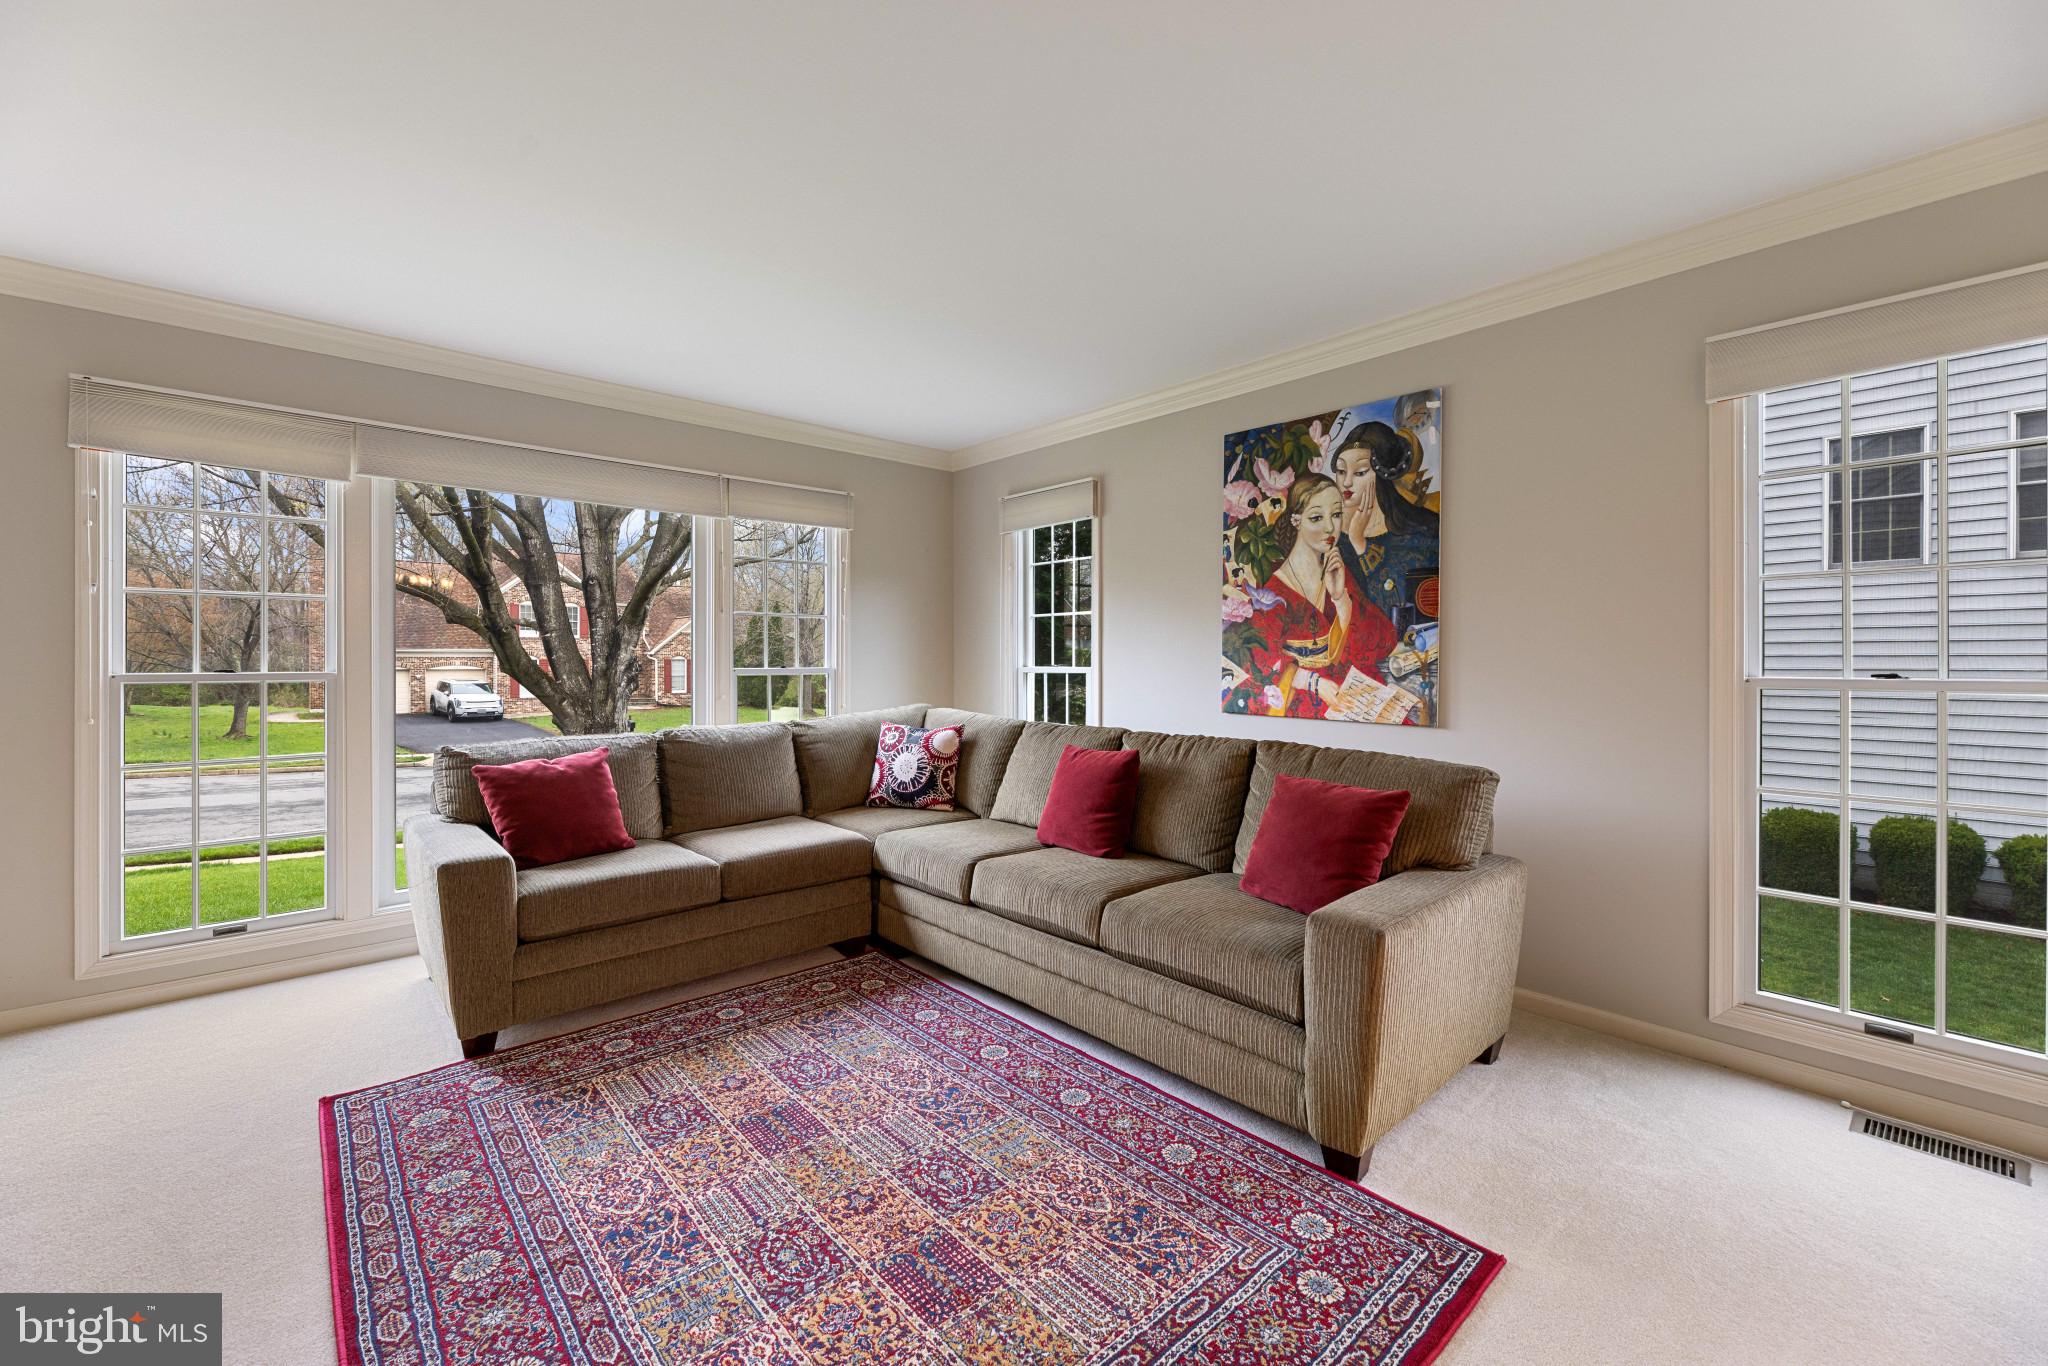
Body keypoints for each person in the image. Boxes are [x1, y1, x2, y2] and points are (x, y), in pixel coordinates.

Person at [1241, 476, 1399, 717]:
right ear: (1296, 520)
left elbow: (1381, 642)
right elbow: (1258, 660)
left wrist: (1340, 599)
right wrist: (1312, 682)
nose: (1330, 528)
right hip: (1300, 698)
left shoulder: (1337, 573)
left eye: (1336, 515)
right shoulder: (1271, 592)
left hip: (1344, 689)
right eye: (1317, 518)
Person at [1327, 421, 1439, 627]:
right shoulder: (1329, 536)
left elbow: (1396, 610)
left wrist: (1361, 545)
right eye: (1341, 471)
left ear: (1382, 476)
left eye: (1360, 472)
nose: (1346, 482)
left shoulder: (1423, 532)